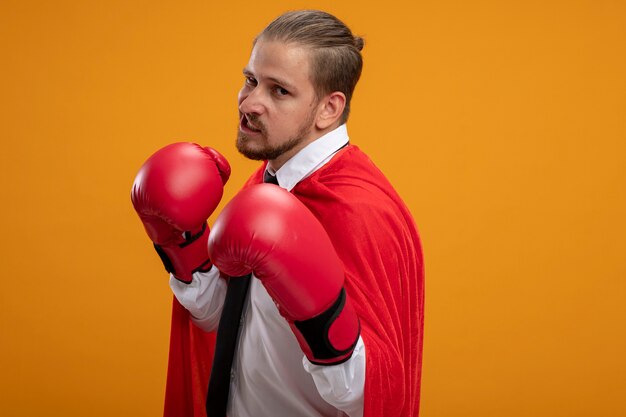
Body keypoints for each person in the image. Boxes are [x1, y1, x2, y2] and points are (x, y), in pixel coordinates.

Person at [132, 10, 424, 417]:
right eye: (250, 80)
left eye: (279, 91)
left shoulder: (361, 210)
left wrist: (321, 319)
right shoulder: (267, 182)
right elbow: (222, 320)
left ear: (328, 109)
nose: (250, 103)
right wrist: (181, 244)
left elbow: (372, 395)